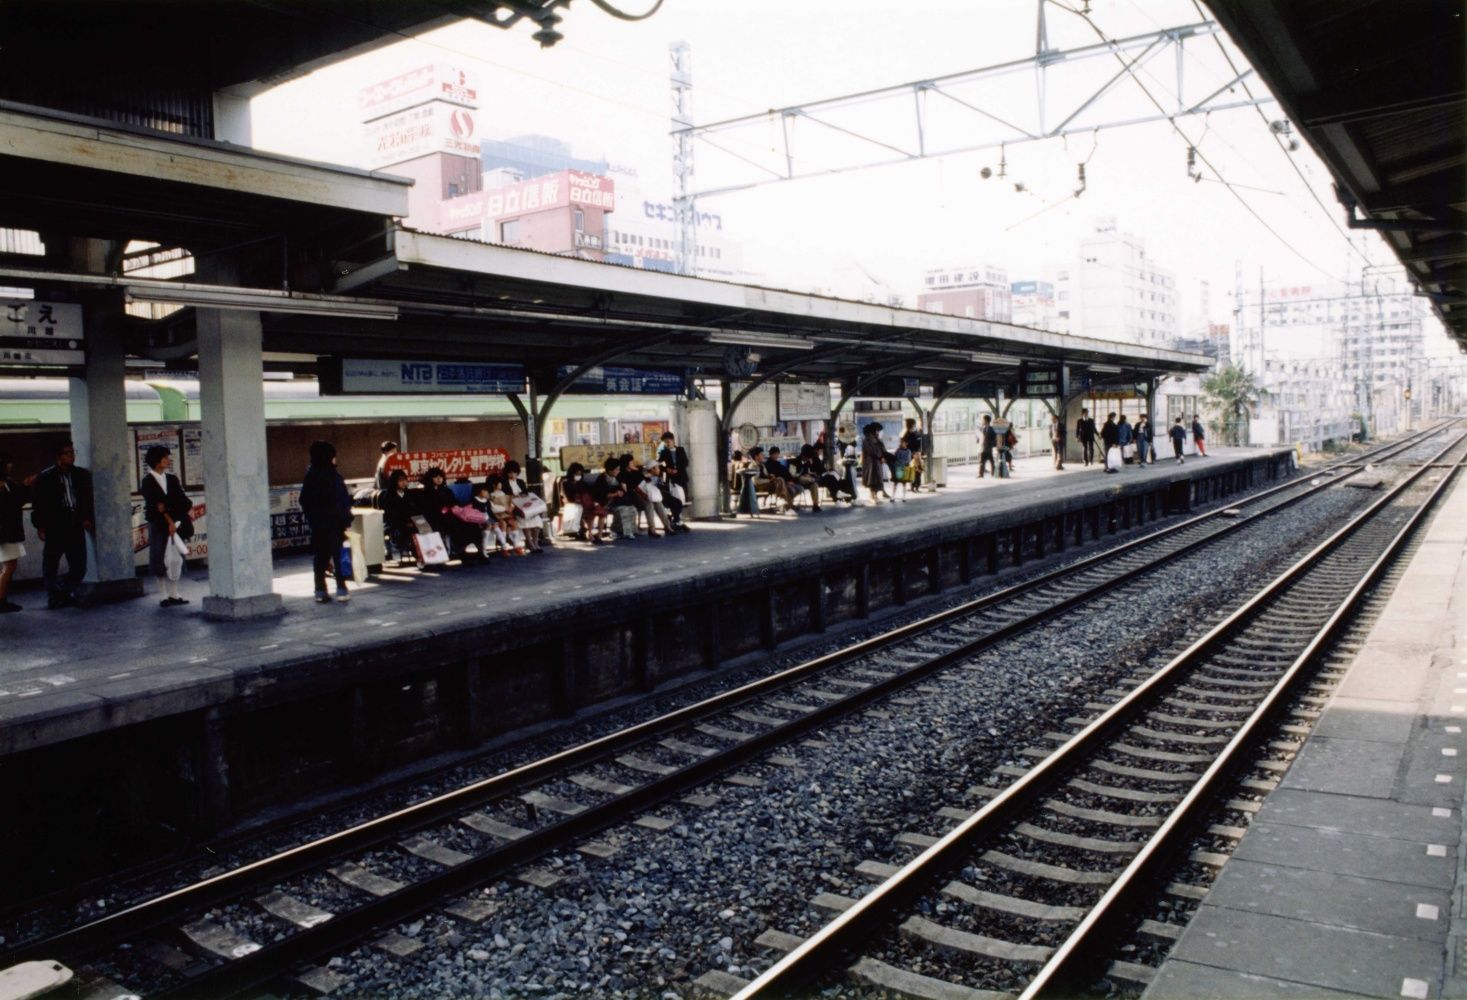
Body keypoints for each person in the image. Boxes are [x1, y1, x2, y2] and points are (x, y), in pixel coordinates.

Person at [30, 441, 93, 609]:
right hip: (55, 525)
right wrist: (40, 526)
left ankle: (64, 590)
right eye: (67, 453)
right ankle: (53, 596)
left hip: (75, 523)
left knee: (79, 565)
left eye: (73, 452)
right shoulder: (46, 476)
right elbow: (39, 503)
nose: (71, 456)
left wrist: (86, 518)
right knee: (51, 563)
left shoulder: (81, 474)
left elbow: (87, 499)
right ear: (58, 456)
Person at [140, 444, 194, 608]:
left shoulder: (172, 479)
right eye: (164, 457)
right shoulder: (147, 481)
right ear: (156, 461)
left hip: (175, 524)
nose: (168, 460)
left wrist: (174, 521)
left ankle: (174, 593)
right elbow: (154, 506)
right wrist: (168, 512)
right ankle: (162, 594)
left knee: (176, 558)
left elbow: (184, 502)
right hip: (158, 524)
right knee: (159, 557)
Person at [299, 440, 352, 603]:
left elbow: (303, 500)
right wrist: (346, 520)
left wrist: (313, 518)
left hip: (317, 525)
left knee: (320, 557)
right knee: (338, 556)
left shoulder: (310, 476)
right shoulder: (333, 476)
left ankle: (320, 591)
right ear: (329, 457)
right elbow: (342, 501)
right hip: (334, 524)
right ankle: (341, 589)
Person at [0, 453, 27, 613]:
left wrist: (24, 486)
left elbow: (18, 500)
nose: (11, 466)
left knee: (9, 565)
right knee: (9, 565)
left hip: (9, 530)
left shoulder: (8, 482)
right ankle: (1, 599)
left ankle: (2, 598)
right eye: (7, 463)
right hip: (5, 531)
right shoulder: (3, 484)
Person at [503, 460, 546, 553]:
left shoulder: (520, 481)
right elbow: (505, 496)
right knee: (525, 521)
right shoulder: (504, 483)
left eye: (514, 472)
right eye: (510, 472)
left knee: (537, 520)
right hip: (515, 508)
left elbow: (526, 492)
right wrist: (514, 496)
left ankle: (535, 542)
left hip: (526, 506)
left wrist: (523, 494)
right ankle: (529, 543)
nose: (512, 474)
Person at [380, 469, 416, 564]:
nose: (404, 483)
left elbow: (414, 510)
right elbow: (390, 514)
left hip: (410, 522)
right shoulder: (388, 496)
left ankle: (422, 555)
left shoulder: (409, 494)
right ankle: (417, 555)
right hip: (395, 523)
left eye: (405, 480)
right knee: (405, 531)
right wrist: (405, 522)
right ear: (395, 481)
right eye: (400, 480)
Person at [860, 423, 891, 502]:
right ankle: (872, 496)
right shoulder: (867, 440)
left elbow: (883, 450)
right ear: (873, 431)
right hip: (870, 463)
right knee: (872, 480)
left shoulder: (877, 440)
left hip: (877, 462)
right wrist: (880, 457)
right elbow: (870, 451)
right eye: (877, 430)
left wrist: (885, 457)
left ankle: (875, 496)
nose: (878, 432)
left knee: (877, 480)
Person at [657, 431, 691, 500]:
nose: (667, 444)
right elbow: (659, 464)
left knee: (684, 497)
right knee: (674, 497)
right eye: (665, 442)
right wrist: (666, 469)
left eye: (668, 441)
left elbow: (685, 462)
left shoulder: (680, 450)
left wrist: (677, 469)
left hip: (681, 476)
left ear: (673, 440)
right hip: (671, 478)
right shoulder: (664, 452)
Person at [901, 418, 926, 491]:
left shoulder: (913, 433)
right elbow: (904, 445)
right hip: (912, 455)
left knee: (917, 471)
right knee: (913, 471)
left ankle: (915, 486)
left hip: (915, 454)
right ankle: (914, 486)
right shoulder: (908, 433)